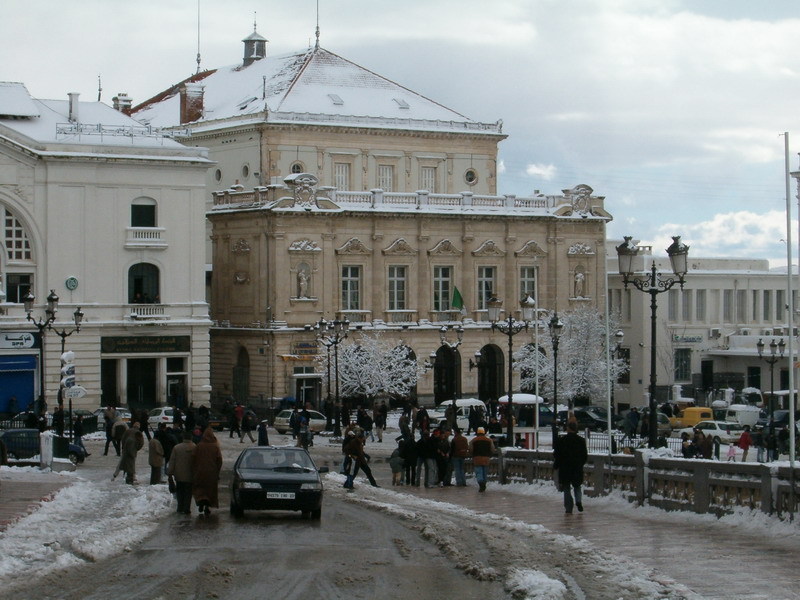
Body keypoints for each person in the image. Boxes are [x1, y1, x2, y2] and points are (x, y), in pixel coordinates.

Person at [553, 420, 588, 513]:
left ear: (568, 429)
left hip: (565, 468)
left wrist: (556, 465)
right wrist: (580, 464)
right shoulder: (581, 440)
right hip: (577, 467)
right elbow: (585, 455)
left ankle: (568, 507)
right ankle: (578, 501)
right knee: (577, 486)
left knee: (566, 487)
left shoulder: (562, 440)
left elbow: (557, 455)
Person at [192, 427, 222, 515]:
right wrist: (217, 470)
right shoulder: (215, 447)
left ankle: (201, 502)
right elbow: (219, 460)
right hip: (211, 472)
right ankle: (207, 506)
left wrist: (195, 468)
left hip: (200, 471)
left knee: (200, 489)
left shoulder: (199, 446)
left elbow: (193, 458)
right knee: (210, 490)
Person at [167, 431, 196, 514]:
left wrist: (170, 473)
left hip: (179, 474)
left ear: (183, 438)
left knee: (180, 491)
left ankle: (180, 507)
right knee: (188, 492)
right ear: (191, 438)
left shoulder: (177, 448)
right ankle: (187, 507)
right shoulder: (194, 447)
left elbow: (172, 461)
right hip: (190, 474)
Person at [469, 427, 496, 492]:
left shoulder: (473, 440)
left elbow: (471, 449)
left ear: (477, 433)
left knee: (479, 472)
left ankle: (481, 484)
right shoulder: (489, 440)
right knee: (485, 472)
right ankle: (484, 483)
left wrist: (472, 455)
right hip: (486, 458)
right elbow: (492, 449)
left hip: (477, 458)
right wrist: (490, 455)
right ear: (484, 433)